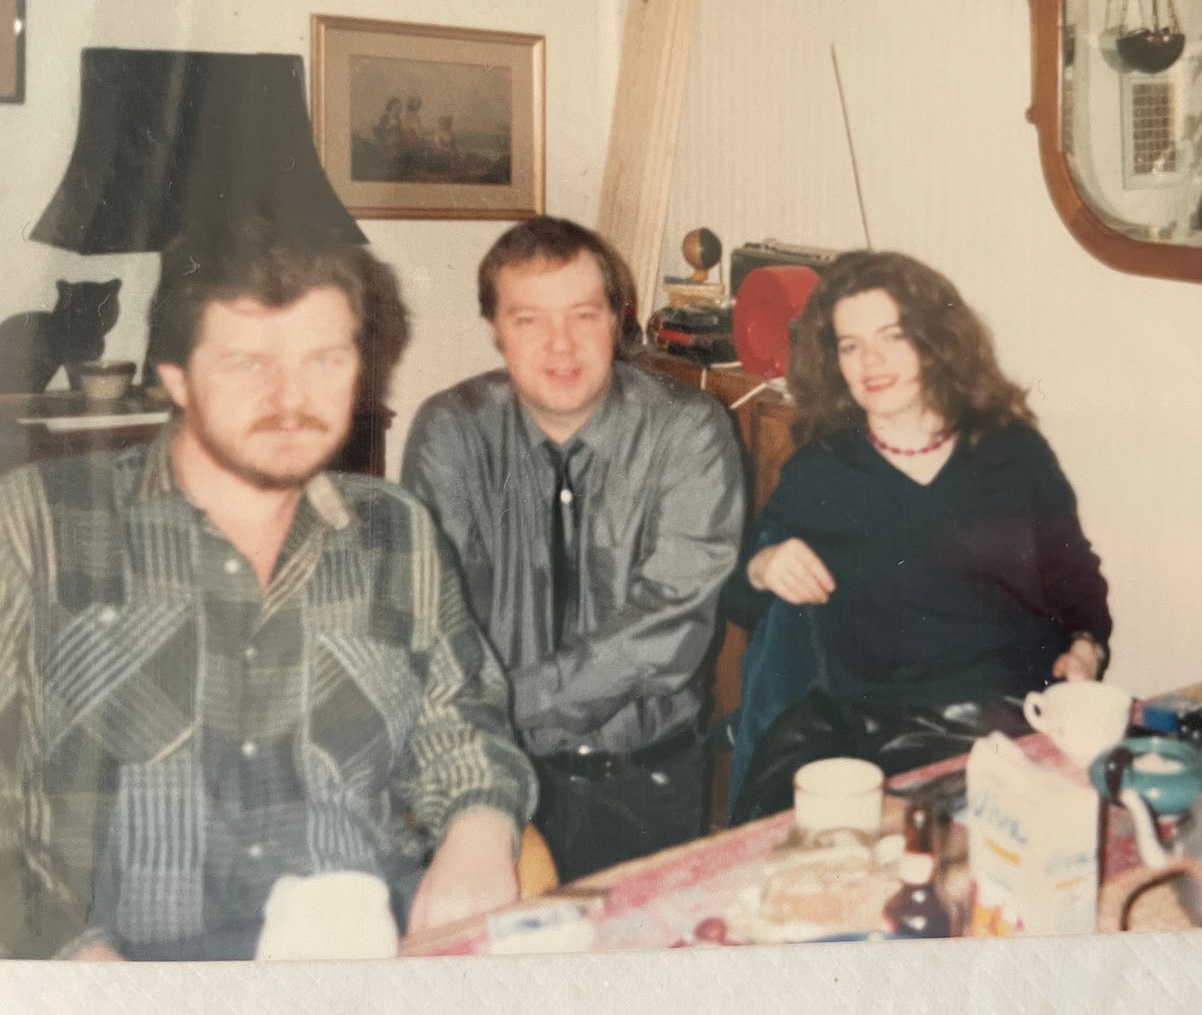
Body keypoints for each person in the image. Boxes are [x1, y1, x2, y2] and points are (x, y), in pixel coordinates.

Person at [0, 220, 537, 959]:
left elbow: (464, 724)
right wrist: (71, 955)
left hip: (361, 952)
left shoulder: (395, 530)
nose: (292, 397)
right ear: (176, 377)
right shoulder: (38, 524)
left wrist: (480, 829)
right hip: (128, 968)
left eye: (325, 358)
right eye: (250, 363)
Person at [401, 216, 745, 882]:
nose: (561, 344)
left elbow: (666, 632)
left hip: (644, 782)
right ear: (495, 328)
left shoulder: (690, 432)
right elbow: (428, 615)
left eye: (584, 315)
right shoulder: (451, 432)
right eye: (529, 320)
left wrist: (503, 703)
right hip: (490, 780)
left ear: (619, 320)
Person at [724, 249, 1112, 810]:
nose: (870, 362)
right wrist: (763, 566)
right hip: (859, 728)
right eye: (850, 345)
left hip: (999, 721)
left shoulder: (1011, 454)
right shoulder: (822, 470)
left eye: (892, 337)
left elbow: (1075, 575)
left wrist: (1086, 646)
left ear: (935, 343)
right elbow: (740, 600)